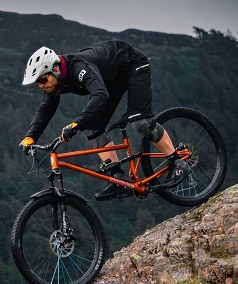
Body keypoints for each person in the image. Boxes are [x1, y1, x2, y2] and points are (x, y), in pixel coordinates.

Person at [19, 40, 190, 201]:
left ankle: (176, 161)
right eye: (37, 82)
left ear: (55, 69)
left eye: (42, 79)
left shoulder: (78, 68)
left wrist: (77, 122)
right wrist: (30, 137)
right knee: (92, 128)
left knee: (139, 121)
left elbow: (100, 95)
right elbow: (46, 109)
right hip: (111, 79)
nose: (41, 85)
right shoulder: (55, 82)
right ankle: (118, 178)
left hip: (133, 64)